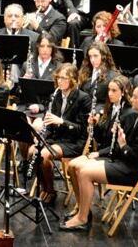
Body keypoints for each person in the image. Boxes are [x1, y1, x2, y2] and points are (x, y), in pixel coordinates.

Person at [63, 83, 138, 231]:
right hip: (127, 164)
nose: (132, 99)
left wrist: (122, 144)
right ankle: (83, 212)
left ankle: (82, 218)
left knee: (84, 173)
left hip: (135, 172)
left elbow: (134, 157)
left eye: (135, 97)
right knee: (76, 167)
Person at [28, 63, 91, 205]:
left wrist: (62, 122)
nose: (60, 81)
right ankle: (44, 189)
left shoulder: (83, 98)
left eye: (64, 78)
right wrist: (41, 138)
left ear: (73, 80)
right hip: (58, 138)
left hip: (74, 141)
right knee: (33, 151)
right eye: (58, 78)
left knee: (43, 155)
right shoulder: (56, 95)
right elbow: (49, 123)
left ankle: (51, 191)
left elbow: (82, 129)